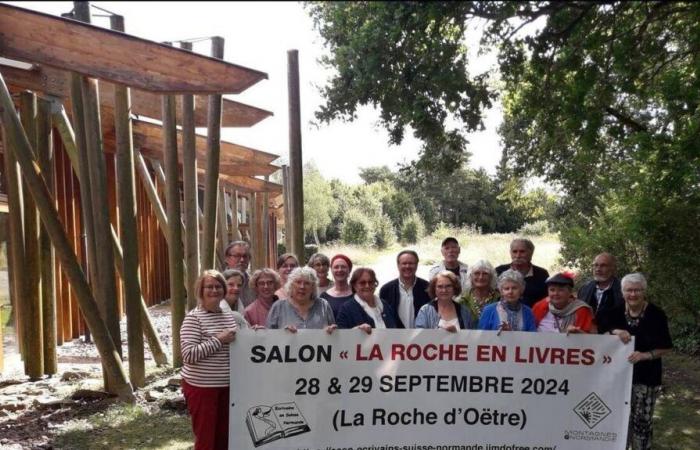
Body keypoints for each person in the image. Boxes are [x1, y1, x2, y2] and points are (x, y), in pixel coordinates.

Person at [598, 273, 672, 450]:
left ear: (644, 291)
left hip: (646, 377)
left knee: (642, 422)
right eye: (629, 290)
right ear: (622, 291)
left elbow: (666, 347)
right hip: (618, 378)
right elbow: (599, 336)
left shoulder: (656, 314)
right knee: (618, 419)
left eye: (637, 290)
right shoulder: (613, 312)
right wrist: (614, 332)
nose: (633, 294)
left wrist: (644, 355)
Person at [180, 270, 238, 450]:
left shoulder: (227, 314)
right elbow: (188, 355)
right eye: (209, 287)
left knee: (224, 436)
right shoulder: (193, 318)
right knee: (207, 438)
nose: (214, 290)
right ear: (200, 291)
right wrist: (218, 340)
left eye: (218, 286)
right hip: (202, 387)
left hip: (227, 386)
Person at [266, 267, 336, 333]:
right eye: (298, 282)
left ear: (313, 287)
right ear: (291, 285)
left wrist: (330, 331)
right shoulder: (278, 307)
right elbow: (268, 338)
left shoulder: (324, 306)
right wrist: (282, 334)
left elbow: (335, 335)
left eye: (307, 283)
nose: (302, 287)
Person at [337, 267, 404, 332]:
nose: (367, 286)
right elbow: (341, 337)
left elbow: (399, 330)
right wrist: (355, 331)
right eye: (362, 283)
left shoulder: (385, 305)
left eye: (371, 282)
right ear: (354, 286)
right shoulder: (346, 309)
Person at [379, 250, 431, 328]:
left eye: (411, 263)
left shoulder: (428, 288)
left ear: (417, 265)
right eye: (404, 263)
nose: (407, 266)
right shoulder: (386, 290)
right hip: (395, 337)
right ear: (398, 265)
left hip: (422, 336)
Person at [496, 238, 549, 307]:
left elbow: (547, 299)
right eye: (515, 252)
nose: (518, 256)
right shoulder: (499, 271)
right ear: (510, 253)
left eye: (522, 252)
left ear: (531, 253)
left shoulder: (542, 274)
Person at [577, 252, 624, 326]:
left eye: (603, 265)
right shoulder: (584, 289)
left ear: (613, 268)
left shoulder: (623, 290)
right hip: (586, 334)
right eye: (595, 265)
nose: (598, 269)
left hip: (613, 335)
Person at [459, 259, 499, 327]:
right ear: (470, 276)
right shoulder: (461, 300)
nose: (481, 277)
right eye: (477, 273)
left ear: (491, 277)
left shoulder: (500, 299)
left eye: (485, 274)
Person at [321, 254, 355, 320]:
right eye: (336, 267)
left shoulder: (357, 294)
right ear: (331, 270)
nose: (339, 270)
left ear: (349, 270)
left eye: (343, 267)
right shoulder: (324, 297)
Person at [224, 240, 255, 307]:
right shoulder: (218, 282)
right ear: (227, 258)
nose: (242, 260)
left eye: (245, 256)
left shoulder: (254, 283)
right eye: (237, 256)